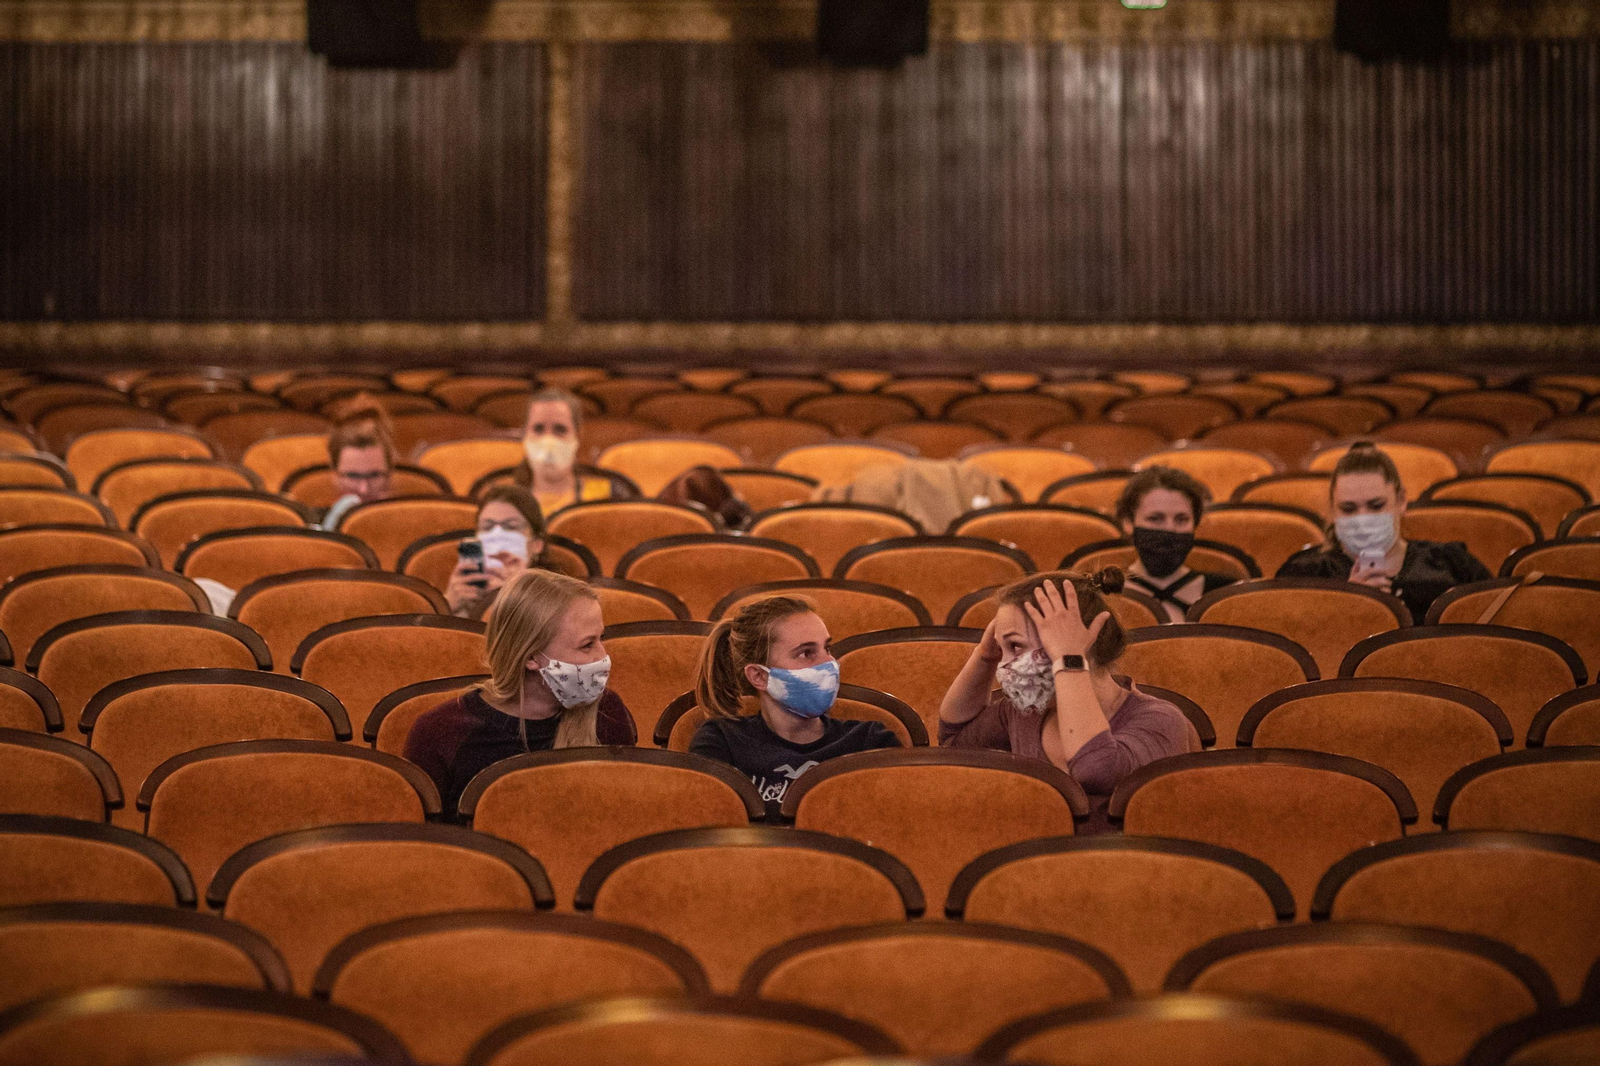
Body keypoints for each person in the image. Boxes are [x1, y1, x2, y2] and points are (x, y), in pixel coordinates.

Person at [939, 568, 1197, 833]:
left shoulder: (1161, 719)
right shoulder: (1025, 713)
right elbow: (954, 742)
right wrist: (984, 655)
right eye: (1001, 651)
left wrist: (1070, 659)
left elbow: (1095, 769)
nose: (1004, 666)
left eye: (1015, 647)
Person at [405, 569, 636, 817]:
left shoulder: (608, 711)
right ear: (530, 657)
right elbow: (424, 847)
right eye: (587, 645)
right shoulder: (441, 732)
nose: (603, 656)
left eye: (601, 638)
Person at [689, 595, 900, 816]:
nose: (830, 663)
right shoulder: (721, 742)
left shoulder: (871, 741)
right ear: (759, 676)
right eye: (806, 653)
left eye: (827, 648)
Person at [1276, 441, 1490, 619]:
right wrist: (1343, 601)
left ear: (1401, 500)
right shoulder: (1302, 575)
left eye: (1376, 506)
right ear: (1333, 510)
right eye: (1348, 509)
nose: (1362, 518)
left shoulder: (1453, 564)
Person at [1114, 466, 1237, 622]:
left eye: (1181, 519)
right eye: (1155, 518)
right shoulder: (1106, 595)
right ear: (1128, 523)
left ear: (1195, 524)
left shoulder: (1225, 595)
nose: (1170, 529)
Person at [445, 485, 548, 618]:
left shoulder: (555, 594)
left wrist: (518, 596)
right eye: (487, 527)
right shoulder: (463, 585)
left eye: (511, 527)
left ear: (536, 544)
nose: (497, 534)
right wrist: (449, 606)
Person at [512, 387, 612, 514]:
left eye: (560, 430)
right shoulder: (506, 501)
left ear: (578, 435)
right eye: (538, 429)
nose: (548, 439)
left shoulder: (605, 496)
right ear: (524, 435)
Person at [319, 395, 396, 531]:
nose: (363, 489)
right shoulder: (318, 526)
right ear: (335, 476)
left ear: (389, 476)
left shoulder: (411, 525)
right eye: (353, 476)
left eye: (374, 475)